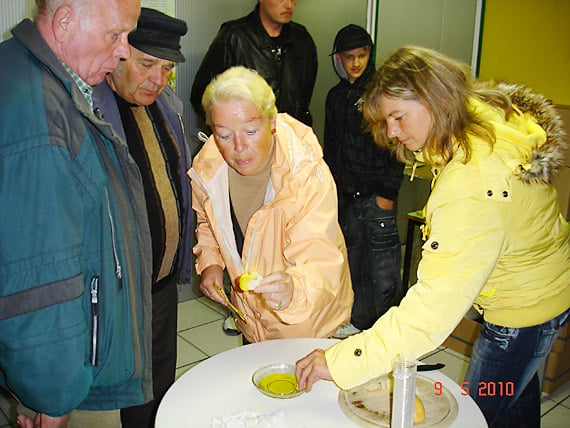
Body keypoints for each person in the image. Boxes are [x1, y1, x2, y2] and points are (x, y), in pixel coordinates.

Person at [296, 46, 570, 427]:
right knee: (513, 395)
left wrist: (341, 361)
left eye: (398, 117)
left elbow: (430, 313)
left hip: (523, 310)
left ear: (433, 98)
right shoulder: (480, 119)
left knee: (476, 413)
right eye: (387, 121)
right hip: (547, 289)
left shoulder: (471, 182)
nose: (392, 132)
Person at [0, 1, 154, 428]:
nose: (124, 51)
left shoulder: (37, 78)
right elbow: (40, 276)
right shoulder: (38, 111)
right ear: (65, 21)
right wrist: (54, 400)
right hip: (63, 380)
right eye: (115, 34)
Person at [190, 66, 354, 343]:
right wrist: (211, 263)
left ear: (272, 123)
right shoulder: (209, 169)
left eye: (250, 131)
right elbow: (207, 221)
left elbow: (319, 258)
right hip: (250, 317)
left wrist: (294, 290)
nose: (239, 147)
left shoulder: (304, 175)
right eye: (224, 135)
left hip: (305, 321)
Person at [92, 8, 191, 428]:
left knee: (159, 385)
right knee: (118, 392)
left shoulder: (166, 107)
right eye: (147, 63)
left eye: (167, 68)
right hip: (116, 290)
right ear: (119, 52)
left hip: (160, 282)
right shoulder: (89, 111)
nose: (158, 78)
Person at [324, 25, 404, 339]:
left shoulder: (382, 94)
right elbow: (331, 147)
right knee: (354, 263)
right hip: (346, 196)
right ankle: (358, 321)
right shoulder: (335, 97)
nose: (356, 62)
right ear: (338, 59)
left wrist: (388, 192)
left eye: (362, 55)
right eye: (349, 57)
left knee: (383, 268)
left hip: (377, 195)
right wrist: (331, 192)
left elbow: (396, 146)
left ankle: (390, 331)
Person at [190, 0, 317, 127]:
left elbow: (304, 97)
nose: (289, 5)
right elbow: (203, 97)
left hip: (292, 134)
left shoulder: (302, 39)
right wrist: (232, 132)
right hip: (247, 135)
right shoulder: (235, 37)